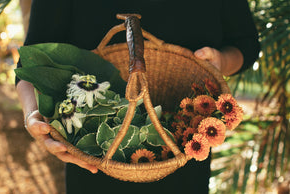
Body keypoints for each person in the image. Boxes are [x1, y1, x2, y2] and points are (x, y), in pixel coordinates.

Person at [16, 0, 260, 193]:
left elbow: (245, 45)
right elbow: (31, 63)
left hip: (186, 149)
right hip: (93, 158)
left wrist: (220, 61)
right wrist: (32, 116)